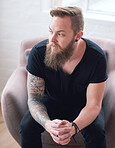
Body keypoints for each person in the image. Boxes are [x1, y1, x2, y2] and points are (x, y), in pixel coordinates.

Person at [19, 6, 108, 148]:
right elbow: (34, 99)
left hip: (83, 104)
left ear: (78, 36)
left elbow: (93, 105)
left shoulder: (96, 57)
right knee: (27, 126)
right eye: (50, 31)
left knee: (97, 132)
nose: (52, 39)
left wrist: (73, 128)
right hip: (51, 102)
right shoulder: (38, 53)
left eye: (60, 34)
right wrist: (48, 124)